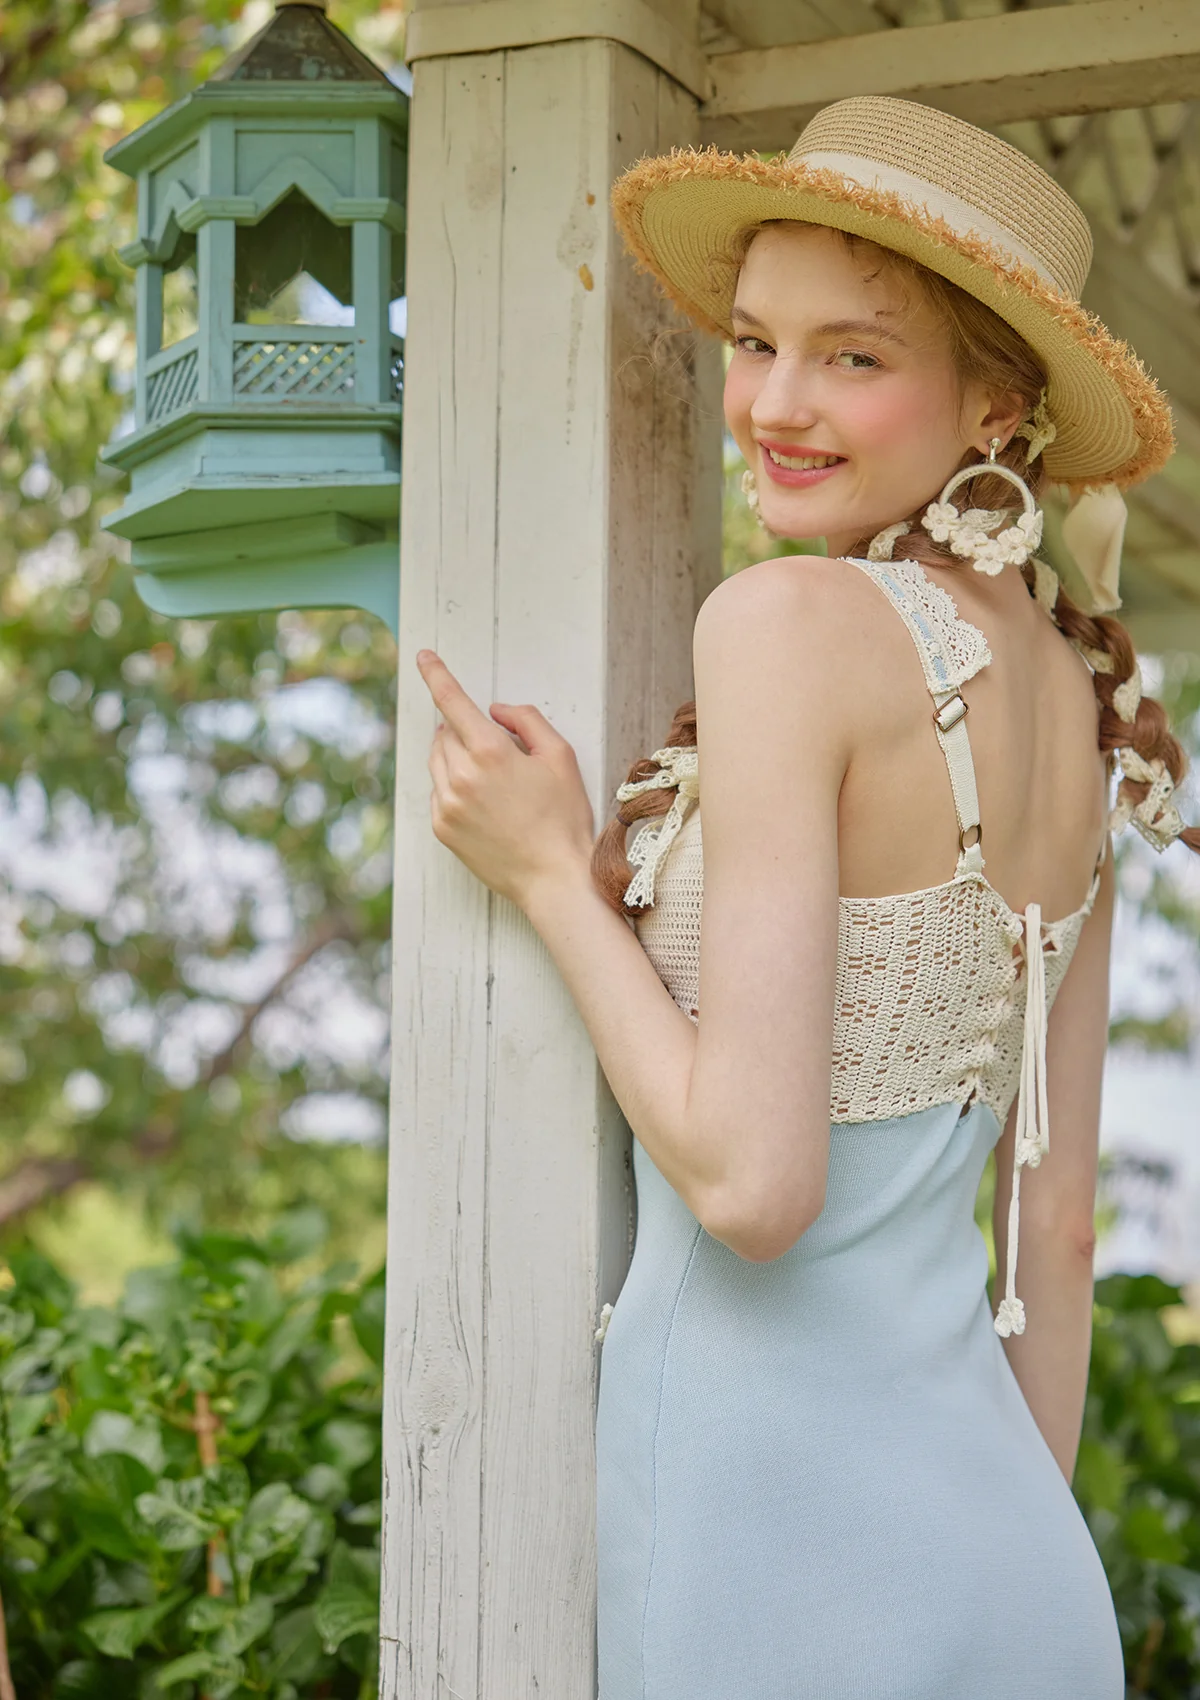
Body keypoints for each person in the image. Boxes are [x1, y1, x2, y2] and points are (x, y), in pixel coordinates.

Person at [415, 96, 1197, 1698]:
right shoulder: (1087, 703)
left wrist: (556, 875)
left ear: (996, 401)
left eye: (853, 355)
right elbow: (1051, 1229)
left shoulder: (789, 625)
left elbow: (758, 1191)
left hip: (767, 1542)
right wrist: (999, 1538)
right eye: (758, 343)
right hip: (1015, 1565)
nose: (774, 402)